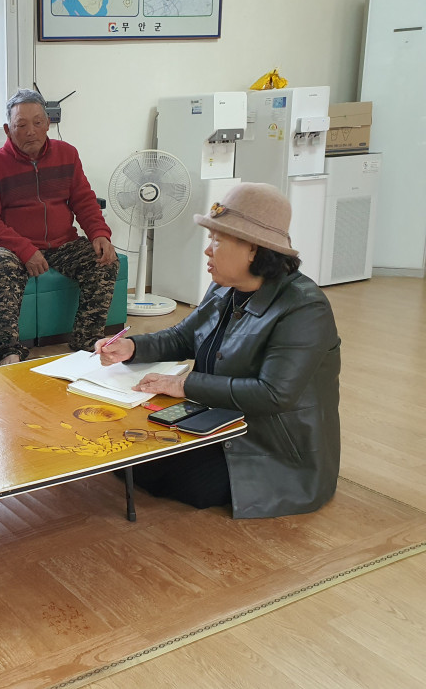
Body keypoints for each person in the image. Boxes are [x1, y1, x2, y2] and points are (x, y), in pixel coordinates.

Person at [96, 183, 341, 518]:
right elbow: (184, 337)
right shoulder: (226, 286)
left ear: (253, 249)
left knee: (169, 474)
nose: (208, 250)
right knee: (121, 447)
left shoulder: (304, 308)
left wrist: (182, 385)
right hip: (221, 418)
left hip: (271, 447)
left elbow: (274, 394)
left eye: (218, 240)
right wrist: (131, 346)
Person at [0, 88, 119, 365]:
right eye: (21, 125)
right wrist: (25, 250)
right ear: (8, 130)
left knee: (105, 260)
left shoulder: (67, 155)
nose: (31, 131)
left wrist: (99, 233)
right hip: (14, 246)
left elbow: (83, 200)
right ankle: (10, 350)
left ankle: (87, 340)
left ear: (48, 124)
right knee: (0, 264)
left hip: (62, 242)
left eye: (38, 122)